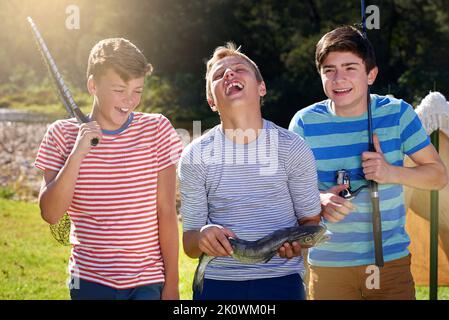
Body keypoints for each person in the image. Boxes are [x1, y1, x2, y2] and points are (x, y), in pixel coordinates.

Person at [289, 25, 448, 300]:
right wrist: (318, 199)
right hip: (328, 266)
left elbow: (438, 176)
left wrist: (390, 172)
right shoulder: (304, 123)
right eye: (329, 70)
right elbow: (286, 189)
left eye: (350, 68)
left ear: (371, 74)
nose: (339, 79)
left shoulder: (398, 113)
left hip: (391, 263)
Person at [34, 38, 183, 300]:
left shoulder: (157, 130)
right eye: (119, 90)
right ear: (93, 85)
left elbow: (167, 212)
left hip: (147, 281)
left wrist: (172, 284)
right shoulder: (61, 134)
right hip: (89, 281)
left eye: (138, 90)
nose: (129, 100)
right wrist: (79, 151)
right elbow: (51, 213)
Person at [178, 42, 322, 300]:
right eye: (219, 75)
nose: (229, 75)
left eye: (238, 69)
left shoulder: (293, 148)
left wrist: (296, 245)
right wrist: (201, 237)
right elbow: (189, 244)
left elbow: (310, 224)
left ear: (261, 87)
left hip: (282, 282)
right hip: (217, 285)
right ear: (211, 101)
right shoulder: (194, 156)